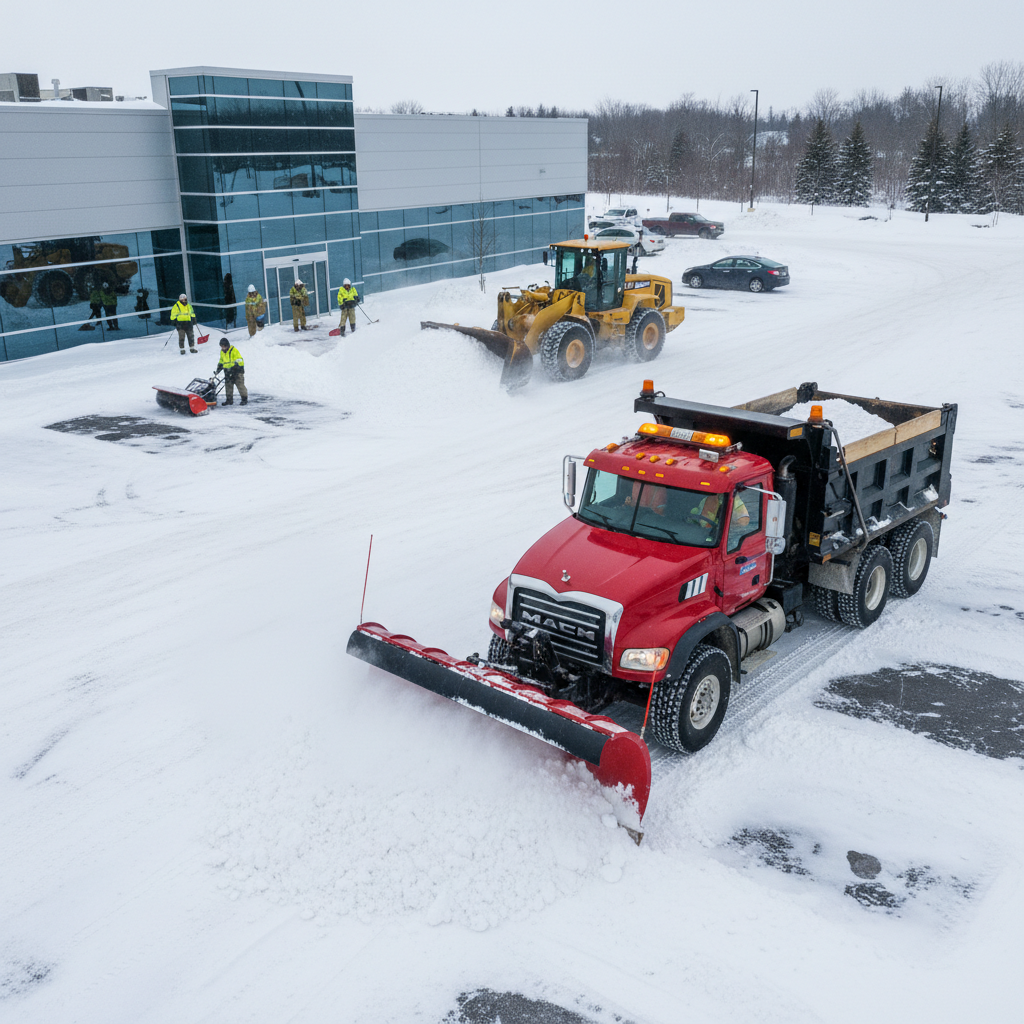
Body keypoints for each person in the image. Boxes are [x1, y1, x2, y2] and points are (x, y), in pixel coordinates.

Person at [216, 338, 247, 405]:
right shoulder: (222, 352)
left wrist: (235, 368)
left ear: (227, 345)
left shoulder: (234, 350)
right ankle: (229, 400)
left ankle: (244, 399)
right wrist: (219, 368)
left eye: (224, 346)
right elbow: (221, 361)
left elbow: (240, 360)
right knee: (228, 386)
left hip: (237, 371)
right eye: (222, 346)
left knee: (240, 385)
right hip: (227, 371)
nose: (223, 348)